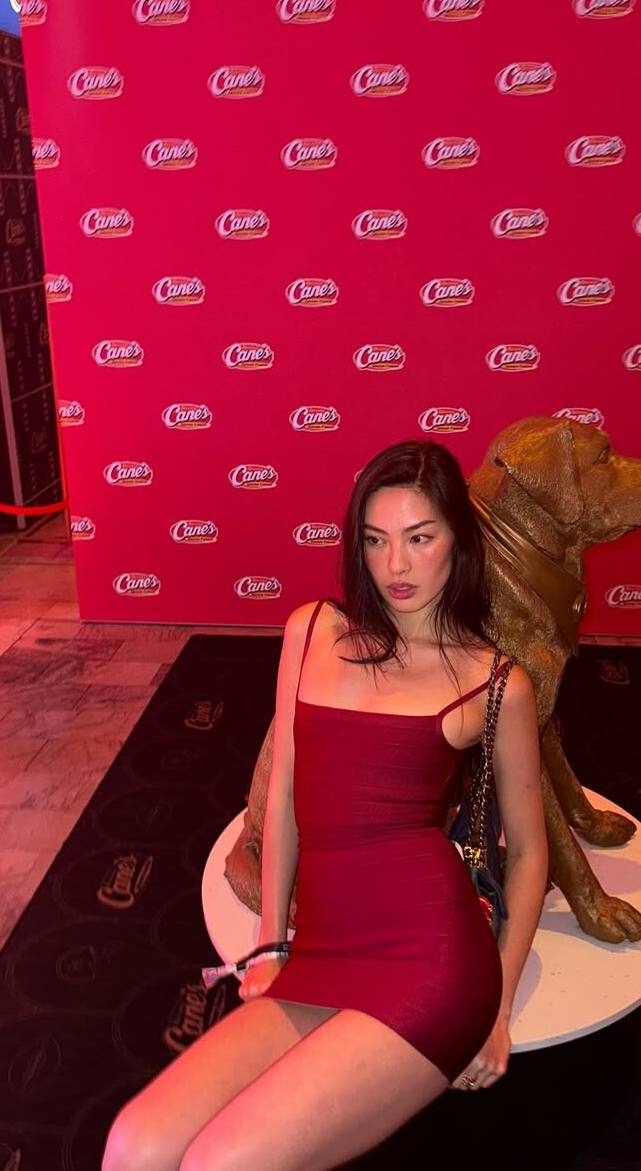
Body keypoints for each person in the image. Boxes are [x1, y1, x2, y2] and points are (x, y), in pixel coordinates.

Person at [102, 439, 548, 1171]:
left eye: (419, 538)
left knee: (221, 1162)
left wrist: (498, 1009)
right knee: (135, 1144)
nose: (395, 565)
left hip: (429, 962)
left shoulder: (495, 680)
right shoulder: (312, 630)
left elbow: (528, 853)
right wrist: (270, 943)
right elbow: (283, 790)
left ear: (458, 542)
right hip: (322, 947)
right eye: (375, 540)